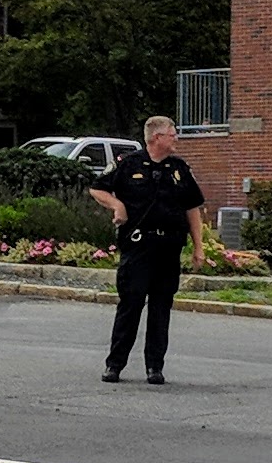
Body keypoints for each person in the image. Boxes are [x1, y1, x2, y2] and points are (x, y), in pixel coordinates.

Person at [89, 115, 207, 386]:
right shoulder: (129, 165)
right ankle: (114, 364)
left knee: (161, 308)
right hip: (139, 247)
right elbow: (97, 189)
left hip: (169, 248)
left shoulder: (179, 169)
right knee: (130, 306)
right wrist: (118, 206)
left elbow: (192, 208)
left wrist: (198, 247)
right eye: (172, 133)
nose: (176, 137)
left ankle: (155, 366)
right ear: (156, 137)